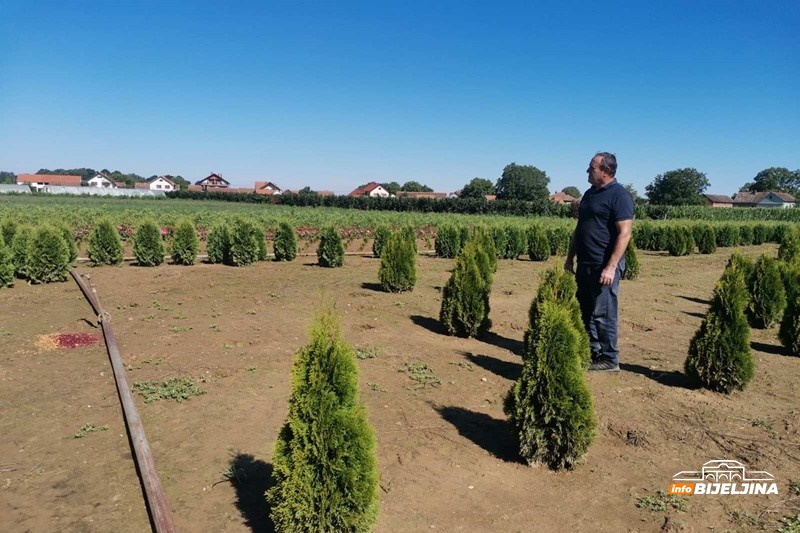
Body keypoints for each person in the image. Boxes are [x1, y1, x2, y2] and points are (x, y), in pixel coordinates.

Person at [564, 152, 634, 372]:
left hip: (604, 265)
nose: (587, 171)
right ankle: (593, 352)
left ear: (606, 170)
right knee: (585, 310)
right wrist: (570, 257)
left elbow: (625, 233)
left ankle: (609, 358)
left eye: (591, 167)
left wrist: (611, 267)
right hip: (585, 263)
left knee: (603, 314)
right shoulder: (589, 193)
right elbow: (580, 229)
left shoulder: (619, 195)